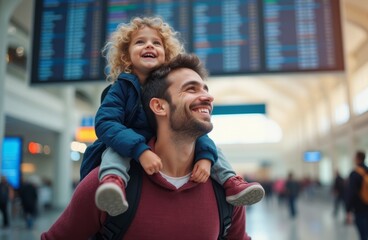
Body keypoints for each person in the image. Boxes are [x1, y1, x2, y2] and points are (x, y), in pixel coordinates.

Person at [41, 54, 251, 239]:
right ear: (159, 106)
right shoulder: (105, 186)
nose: (207, 96)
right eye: (191, 89)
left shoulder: (226, 192)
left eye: (205, 89)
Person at [83, 16, 264, 216]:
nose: (149, 46)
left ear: (166, 54)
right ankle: (112, 184)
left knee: (204, 139)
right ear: (126, 56)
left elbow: (194, 131)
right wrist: (141, 150)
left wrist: (205, 158)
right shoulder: (121, 88)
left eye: (156, 43)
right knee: (115, 151)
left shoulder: (167, 89)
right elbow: (106, 122)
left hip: (159, 142)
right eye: (140, 42)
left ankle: (230, 182)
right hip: (128, 143)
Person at [346, 151, 368, 240]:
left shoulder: (355, 173)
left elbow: (352, 193)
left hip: (361, 208)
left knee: (364, 235)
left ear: (357, 158)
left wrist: (348, 209)